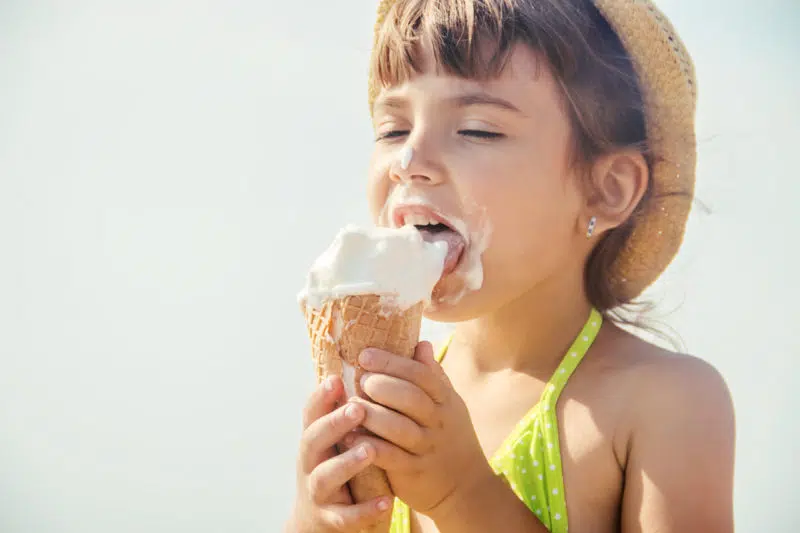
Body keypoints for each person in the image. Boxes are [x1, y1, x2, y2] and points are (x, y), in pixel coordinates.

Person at [287, 1, 735, 531]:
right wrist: (317, 517)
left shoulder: (666, 402)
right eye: (392, 129)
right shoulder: (386, 399)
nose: (410, 161)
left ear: (605, 190)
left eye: (477, 129)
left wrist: (463, 494)